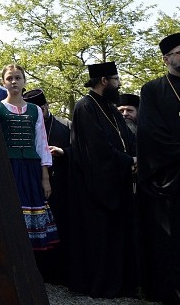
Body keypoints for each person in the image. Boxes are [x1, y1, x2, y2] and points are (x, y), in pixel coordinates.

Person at [67, 61, 137, 298]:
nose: (119, 84)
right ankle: (100, 285)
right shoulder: (85, 107)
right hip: (96, 185)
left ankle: (120, 284)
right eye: (116, 80)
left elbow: (126, 138)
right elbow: (96, 149)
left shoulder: (109, 107)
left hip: (117, 182)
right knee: (100, 238)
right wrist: (128, 161)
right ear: (104, 81)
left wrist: (135, 158)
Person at [137, 32, 180, 304]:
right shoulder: (152, 90)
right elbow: (149, 130)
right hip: (168, 176)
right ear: (167, 58)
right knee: (174, 239)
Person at [0, 65, 58, 250]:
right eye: (9, 78)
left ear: (24, 81)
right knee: (11, 210)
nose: (14, 81)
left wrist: (45, 177)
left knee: (31, 210)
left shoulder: (35, 110)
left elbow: (41, 144)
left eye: (17, 78)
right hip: (9, 167)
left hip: (31, 168)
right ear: (3, 82)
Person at [23, 88, 71, 286]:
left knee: (59, 227)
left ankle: (57, 274)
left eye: (40, 109)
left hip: (59, 183)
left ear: (46, 106)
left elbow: (80, 149)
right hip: (32, 183)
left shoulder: (65, 125)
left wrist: (63, 152)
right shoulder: (26, 122)